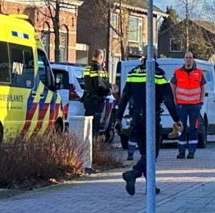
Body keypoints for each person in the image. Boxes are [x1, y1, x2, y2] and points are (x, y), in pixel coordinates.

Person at [114, 53, 183, 196]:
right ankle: (134, 173)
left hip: (136, 118)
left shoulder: (133, 73)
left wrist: (118, 118)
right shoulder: (158, 74)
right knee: (152, 153)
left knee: (145, 153)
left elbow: (124, 98)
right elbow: (168, 99)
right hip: (151, 118)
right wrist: (177, 119)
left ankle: (150, 186)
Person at [171, 52, 206, 159]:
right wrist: (174, 101)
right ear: (184, 59)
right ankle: (181, 151)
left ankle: (191, 151)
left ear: (193, 59)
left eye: (190, 58)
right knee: (181, 128)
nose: (188, 60)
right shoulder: (177, 72)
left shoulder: (199, 72)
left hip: (195, 105)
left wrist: (201, 101)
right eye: (187, 58)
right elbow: (172, 86)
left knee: (193, 129)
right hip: (181, 105)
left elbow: (203, 87)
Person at [82, 50, 111, 119]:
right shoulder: (97, 67)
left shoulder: (88, 67)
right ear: (101, 57)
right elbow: (98, 83)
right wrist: (108, 90)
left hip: (88, 98)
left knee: (88, 123)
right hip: (96, 100)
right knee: (95, 123)